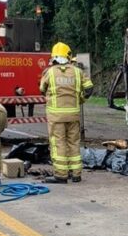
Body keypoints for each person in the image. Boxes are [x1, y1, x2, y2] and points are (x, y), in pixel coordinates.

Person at [40, 42, 93, 184]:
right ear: (68, 56)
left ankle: (61, 175)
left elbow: (42, 89)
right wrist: (80, 99)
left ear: (54, 57)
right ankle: (76, 174)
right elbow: (89, 89)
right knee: (74, 143)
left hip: (56, 116)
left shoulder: (49, 72)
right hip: (73, 115)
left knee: (59, 143)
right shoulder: (77, 71)